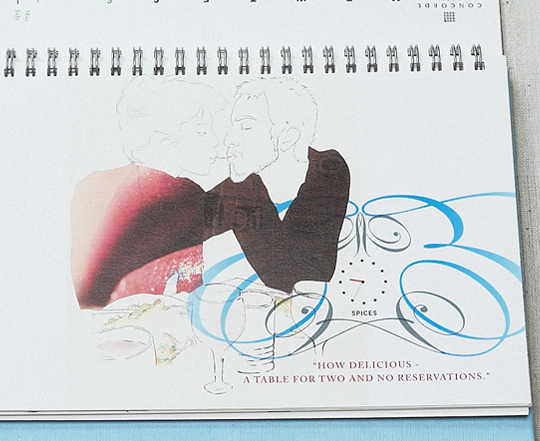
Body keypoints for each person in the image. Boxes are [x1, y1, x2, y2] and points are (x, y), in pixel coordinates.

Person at [71, 83, 225, 310]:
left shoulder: (90, 183)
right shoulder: (187, 195)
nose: (216, 142)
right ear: (164, 139)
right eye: (202, 131)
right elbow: (189, 295)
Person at [205, 82, 350, 292]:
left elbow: (291, 275)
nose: (229, 140)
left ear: (287, 137)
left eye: (246, 127)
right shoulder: (242, 186)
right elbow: (184, 224)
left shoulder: (329, 169)